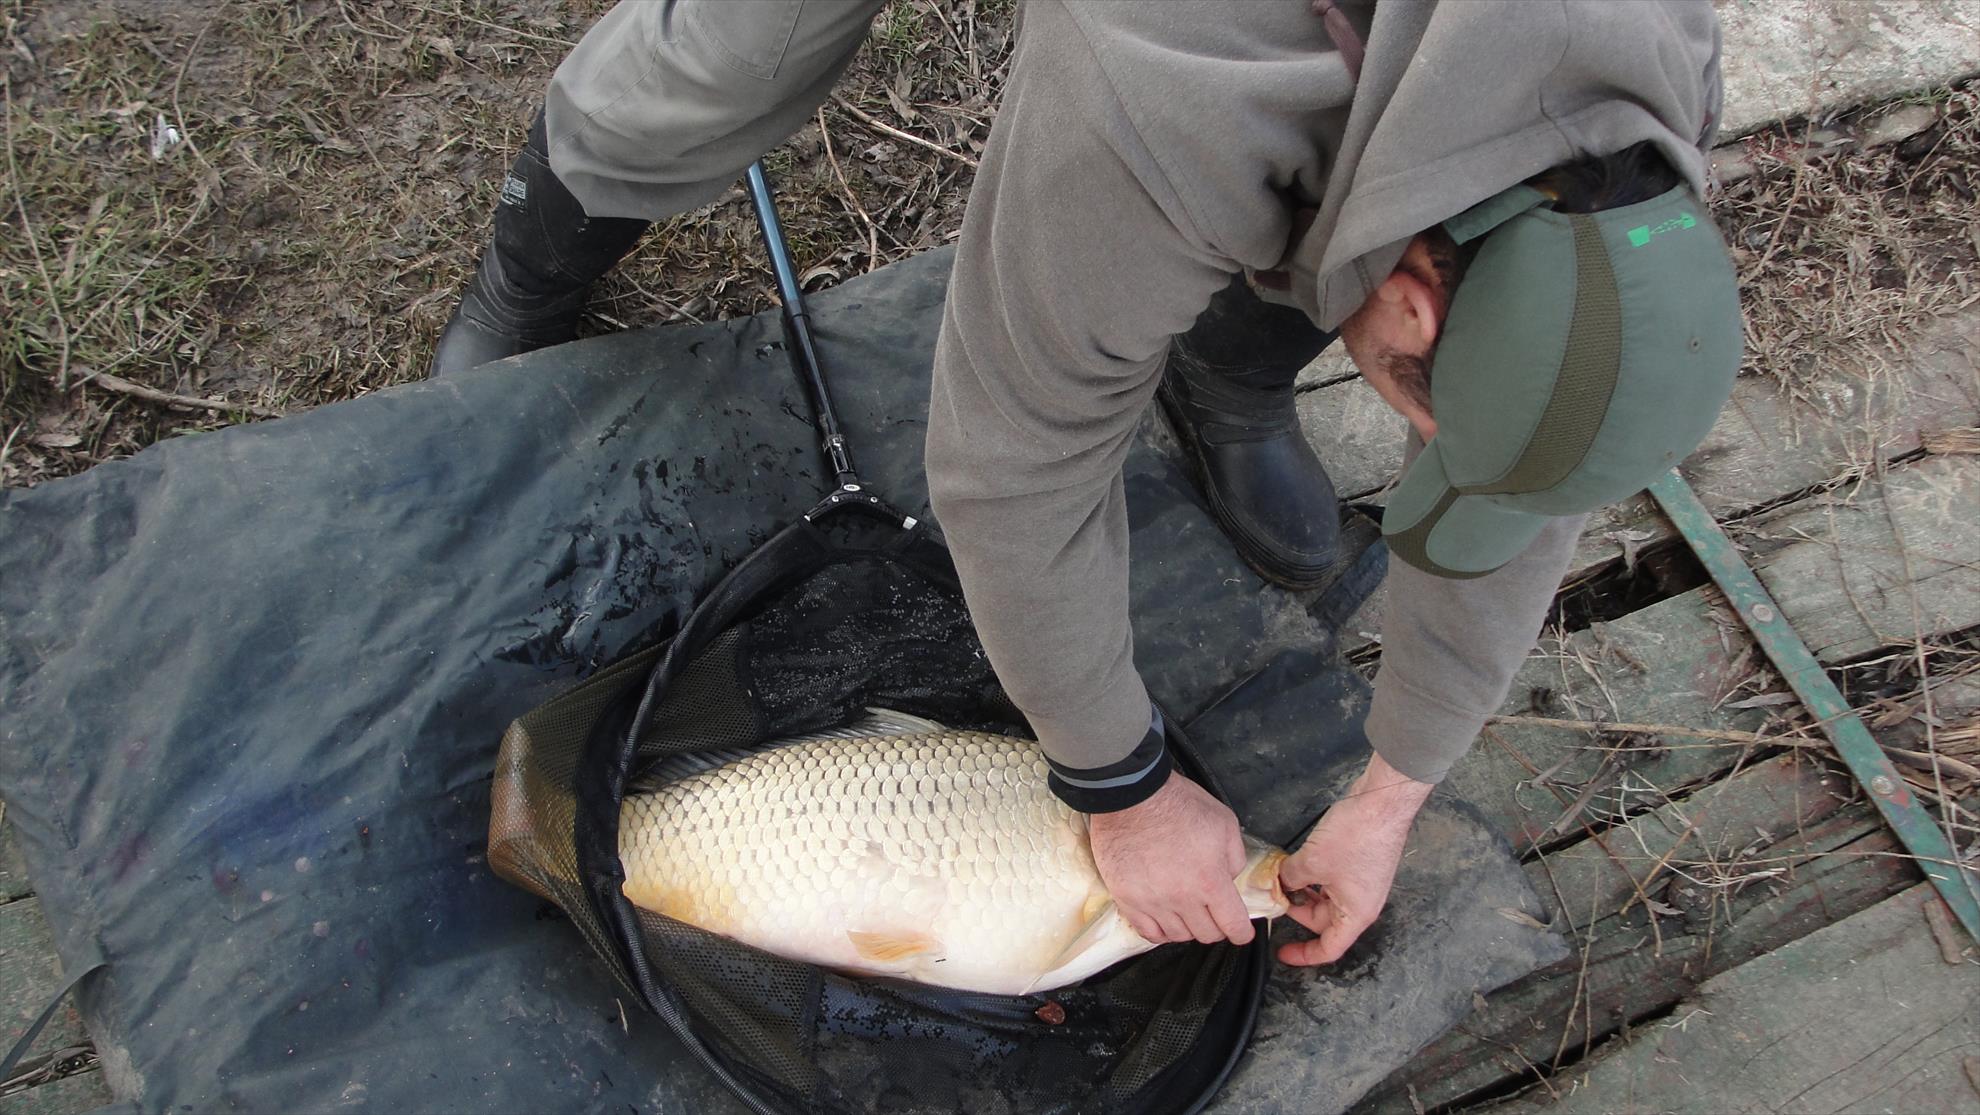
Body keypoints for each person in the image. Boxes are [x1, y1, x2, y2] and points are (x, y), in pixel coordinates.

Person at [430, 0, 1740, 967]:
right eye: (1417, 415)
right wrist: (1116, 783)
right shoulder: (1169, 80)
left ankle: (1226, 373)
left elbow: (1550, 424)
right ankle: (536, 256)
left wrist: (1392, 792)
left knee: (1329, 206)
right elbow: (1015, 461)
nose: (1424, 447)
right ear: (1408, 296)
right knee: (733, 54)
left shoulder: (1645, 97)